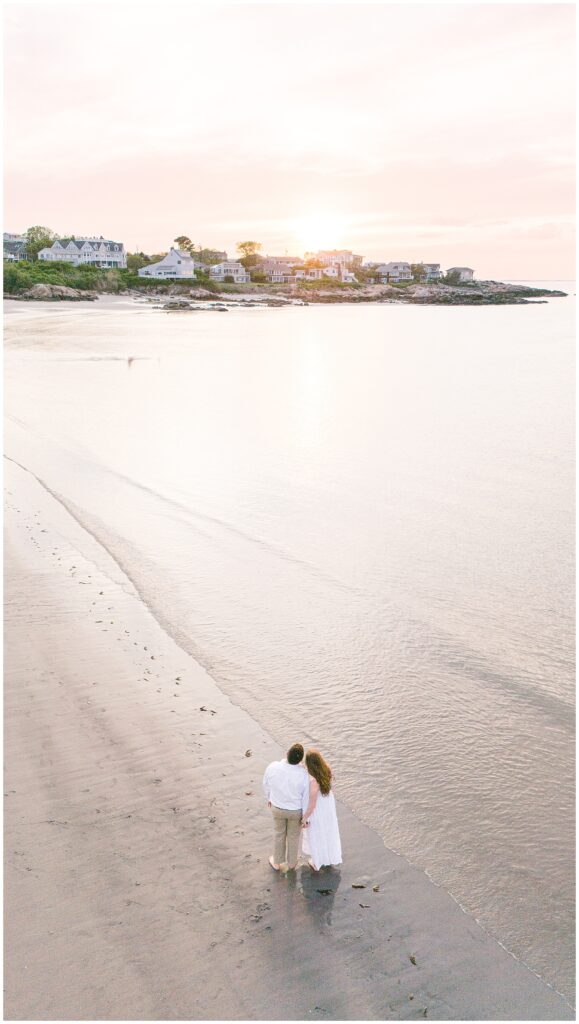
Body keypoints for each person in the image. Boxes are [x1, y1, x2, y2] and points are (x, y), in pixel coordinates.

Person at [262, 743, 309, 871]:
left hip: (277, 807)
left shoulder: (273, 767)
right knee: (294, 836)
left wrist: (269, 798)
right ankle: (292, 863)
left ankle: (277, 862)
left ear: (287, 754)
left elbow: (265, 784)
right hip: (296, 811)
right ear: (300, 760)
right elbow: (306, 797)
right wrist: (305, 816)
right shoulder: (304, 774)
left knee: (279, 833)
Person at [301, 749, 342, 871]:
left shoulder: (313, 781)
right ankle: (328, 857)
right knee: (328, 831)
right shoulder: (327, 769)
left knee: (317, 833)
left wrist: (304, 818)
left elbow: (312, 804)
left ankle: (317, 861)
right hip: (328, 804)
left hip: (319, 808)